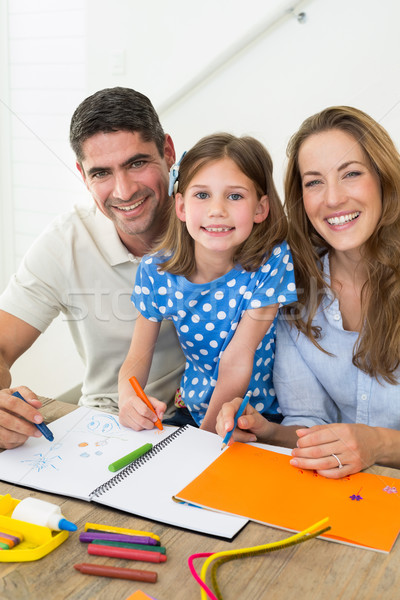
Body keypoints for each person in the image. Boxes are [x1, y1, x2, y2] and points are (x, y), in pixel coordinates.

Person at [216, 106, 400, 478]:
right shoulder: (294, 287)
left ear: (384, 179)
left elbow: (363, 445)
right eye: (314, 182)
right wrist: (265, 431)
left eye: (350, 174)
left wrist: (378, 444)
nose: (332, 199)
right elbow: (310, 421)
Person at [0, 87, 185, 449]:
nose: (124, 190)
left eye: (136, 163)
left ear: (167, 152)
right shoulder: (65, 242)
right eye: (101, 173)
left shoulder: (216, 218)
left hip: (210, 425)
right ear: (83, 175)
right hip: (108, 427)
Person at [118, 133, 297, 433]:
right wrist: (127, 398)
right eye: (202, 195)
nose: (217, 210)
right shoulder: (156, 271)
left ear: (260, 209)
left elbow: (238, 358)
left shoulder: (271, 260)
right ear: (181, 206)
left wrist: (205, 440)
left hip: (258, 416)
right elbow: (137, 356)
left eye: (235, 196)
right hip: (192, 410)